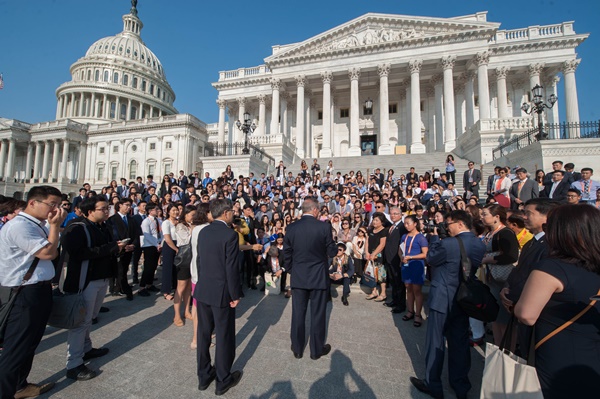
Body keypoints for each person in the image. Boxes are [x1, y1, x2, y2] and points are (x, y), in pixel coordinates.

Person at [514, 204, 600, 399]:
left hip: (557, 352)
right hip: (592, 352)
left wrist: (512, 304)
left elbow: (526, 314)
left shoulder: (552, 267)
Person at [410, 210, 486, 399]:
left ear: (460, 224)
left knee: (435, 342)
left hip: (442, 297)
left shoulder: (448, 243)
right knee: (459, 343)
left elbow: (431, 259)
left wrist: (436, 238)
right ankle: (460, 386)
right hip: (463, 299)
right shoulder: (479, 243)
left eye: (449, 223)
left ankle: (432, 383)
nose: (446, 227)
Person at [0, 186, 65, 399]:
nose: (55, 209)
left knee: (30, 343)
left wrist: (52, 227)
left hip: (39, 290)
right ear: (32, 203)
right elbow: (48, 252)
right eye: (51, 204)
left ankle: (20, 386)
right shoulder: (19, 226)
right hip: (24, 293)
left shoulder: (37, 224)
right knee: (15, 350)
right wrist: (55, 226)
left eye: (58, 205)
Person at [61, 196, 128, 381]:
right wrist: (110, 248)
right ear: (90, 211)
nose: (107, 211)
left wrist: (120, 248)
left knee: (90, 318)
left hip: (102, 278)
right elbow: (77, 253)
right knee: (80, 322)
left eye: (108, 208)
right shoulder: (77, 228)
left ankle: (86, 348)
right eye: (103, 209)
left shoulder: (103, 226)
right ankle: (73, 364)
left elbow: (106, 248)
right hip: (85, 281)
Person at [194, 199, 243, 395]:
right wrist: (235, 294)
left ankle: (204, 376)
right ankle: (223, 379)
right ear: (224, 213)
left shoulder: (203, 231)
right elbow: (231, 268)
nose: (233, 213)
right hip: (222, 293)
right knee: (224, 336)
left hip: (204, 289)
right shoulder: (230, 235)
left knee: (203, 335)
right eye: (232, 211)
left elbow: (199, 261)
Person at [501, 198, 560, 354]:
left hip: (537, 314)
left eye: (528, 213)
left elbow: (536, 278)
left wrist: (515, 296)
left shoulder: (551, 245)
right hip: (518, 306)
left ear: (547, 216)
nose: (524, 217)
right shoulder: (531, 243)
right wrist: (506, 287)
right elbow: (519, 270)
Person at [284, 198, 337, 360]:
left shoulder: (291, 227)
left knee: (298, 313)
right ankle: (316, 350)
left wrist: (293, 271)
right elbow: (333, 252)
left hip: (299, 276)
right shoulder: (324, 227)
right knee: (318, 314)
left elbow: (286, 254)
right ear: (314, 210)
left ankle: (298, 348)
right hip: (318, 276)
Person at [480, 204, 519, 345]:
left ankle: (507, 351)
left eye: (485, 214)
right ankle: (497, 347)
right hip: (492, 278)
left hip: (503, 280)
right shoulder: (490, 232)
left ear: (496, 216)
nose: (482, 217)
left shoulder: (506, 233)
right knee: (495, 316)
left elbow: (512, 256)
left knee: (504, 318)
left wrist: (489, 259)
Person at [400, 215, 429, 327]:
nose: (406, 225)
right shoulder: (404, 236)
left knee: (417, 290)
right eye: (405, 223)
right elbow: (401, 249)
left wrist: (411, 257)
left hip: (416, 265)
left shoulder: (421, 238)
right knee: (408, 288)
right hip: (406, 264)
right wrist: (401, 257)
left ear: (415, 224)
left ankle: (418, 314)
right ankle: (410, 311)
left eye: (408, 223)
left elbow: (425, 254)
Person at [107, 198, 138, 300]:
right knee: (118, 270)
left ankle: (121, 287)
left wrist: (132, 245)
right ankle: (118, 288)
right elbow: (111, 235)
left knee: (124, 269)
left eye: (130, 205)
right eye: (127, 205)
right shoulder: (112, 220)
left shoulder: (132, 219)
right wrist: (121, 245)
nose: (129, 207)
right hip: (118, 249)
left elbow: (136, 235)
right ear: (120, 205)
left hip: (129, 249)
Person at [383, 206, 408, 314]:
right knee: (393, 282)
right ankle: (394, 300)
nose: (393, 216)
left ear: (400, 215)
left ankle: (401, 304)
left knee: (399, 283)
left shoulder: (402, 227)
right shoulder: (391, 226)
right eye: (391, 214)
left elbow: (402, 245)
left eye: (395, 214)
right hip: (389, 258)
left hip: (397, 259)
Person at [138, 203, 162, 297]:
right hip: (150, 246)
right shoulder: (146, 221)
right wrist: (156, 244)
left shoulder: (158, 220)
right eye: (155, 209)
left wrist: (160, 243)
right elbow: (147, 235)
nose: (157, 211)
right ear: (150, 211)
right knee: (148, 267)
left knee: (154, 266)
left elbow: (161, 232)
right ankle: (141, 287)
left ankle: (149, 284)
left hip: (158, 245)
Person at [364, 213, 388, 302]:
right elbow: (367, 242)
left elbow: (382, 244)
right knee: (371, 274)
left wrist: (374, 254)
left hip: (379, 256)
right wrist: (367, 252)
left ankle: (383, 293)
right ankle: (373, 292)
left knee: (381, 275)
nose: (374, 222)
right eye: (374, 220)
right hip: (370, 255)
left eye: (377, 220)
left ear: (382, 222)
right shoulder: (370, 230)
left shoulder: (384, 231)